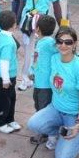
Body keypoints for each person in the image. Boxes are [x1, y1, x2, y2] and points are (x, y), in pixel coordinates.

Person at [27, 26, 79, 158]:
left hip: (74, 114)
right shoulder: (54, 58)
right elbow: (38, 56)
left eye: (68, 42)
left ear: (75, 44)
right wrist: (32, 72)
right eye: (60, 41)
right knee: (33, 124)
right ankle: (61, 131)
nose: (63, 45)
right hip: (55, 108)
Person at [16, 0, 63, 91]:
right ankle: (25, 79)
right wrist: (17, 19)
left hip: (42, 21)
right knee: (28, 50)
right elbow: (22, 3)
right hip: (28, 21)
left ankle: (42, 78)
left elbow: (56, 5)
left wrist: (62, 24)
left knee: (43, 50)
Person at [28, 15, 58, 144]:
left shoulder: (50, 43)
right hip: (38, 83)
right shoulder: (40, 42)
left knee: (43, 109)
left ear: (38, 28)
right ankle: (43, 128)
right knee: (38, 105)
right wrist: (31, 70)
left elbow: (64, 49)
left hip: (45, 85)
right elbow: (35, 58)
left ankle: (45, 133)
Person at [0, 10, 20, 134]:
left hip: (7, 76)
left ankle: (9, 119)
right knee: (3, 100)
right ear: (14, 24)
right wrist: (6, 79)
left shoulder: (2, 35)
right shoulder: (8, 42)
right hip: (4, 77)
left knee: (11, 98)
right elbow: (4, 62)